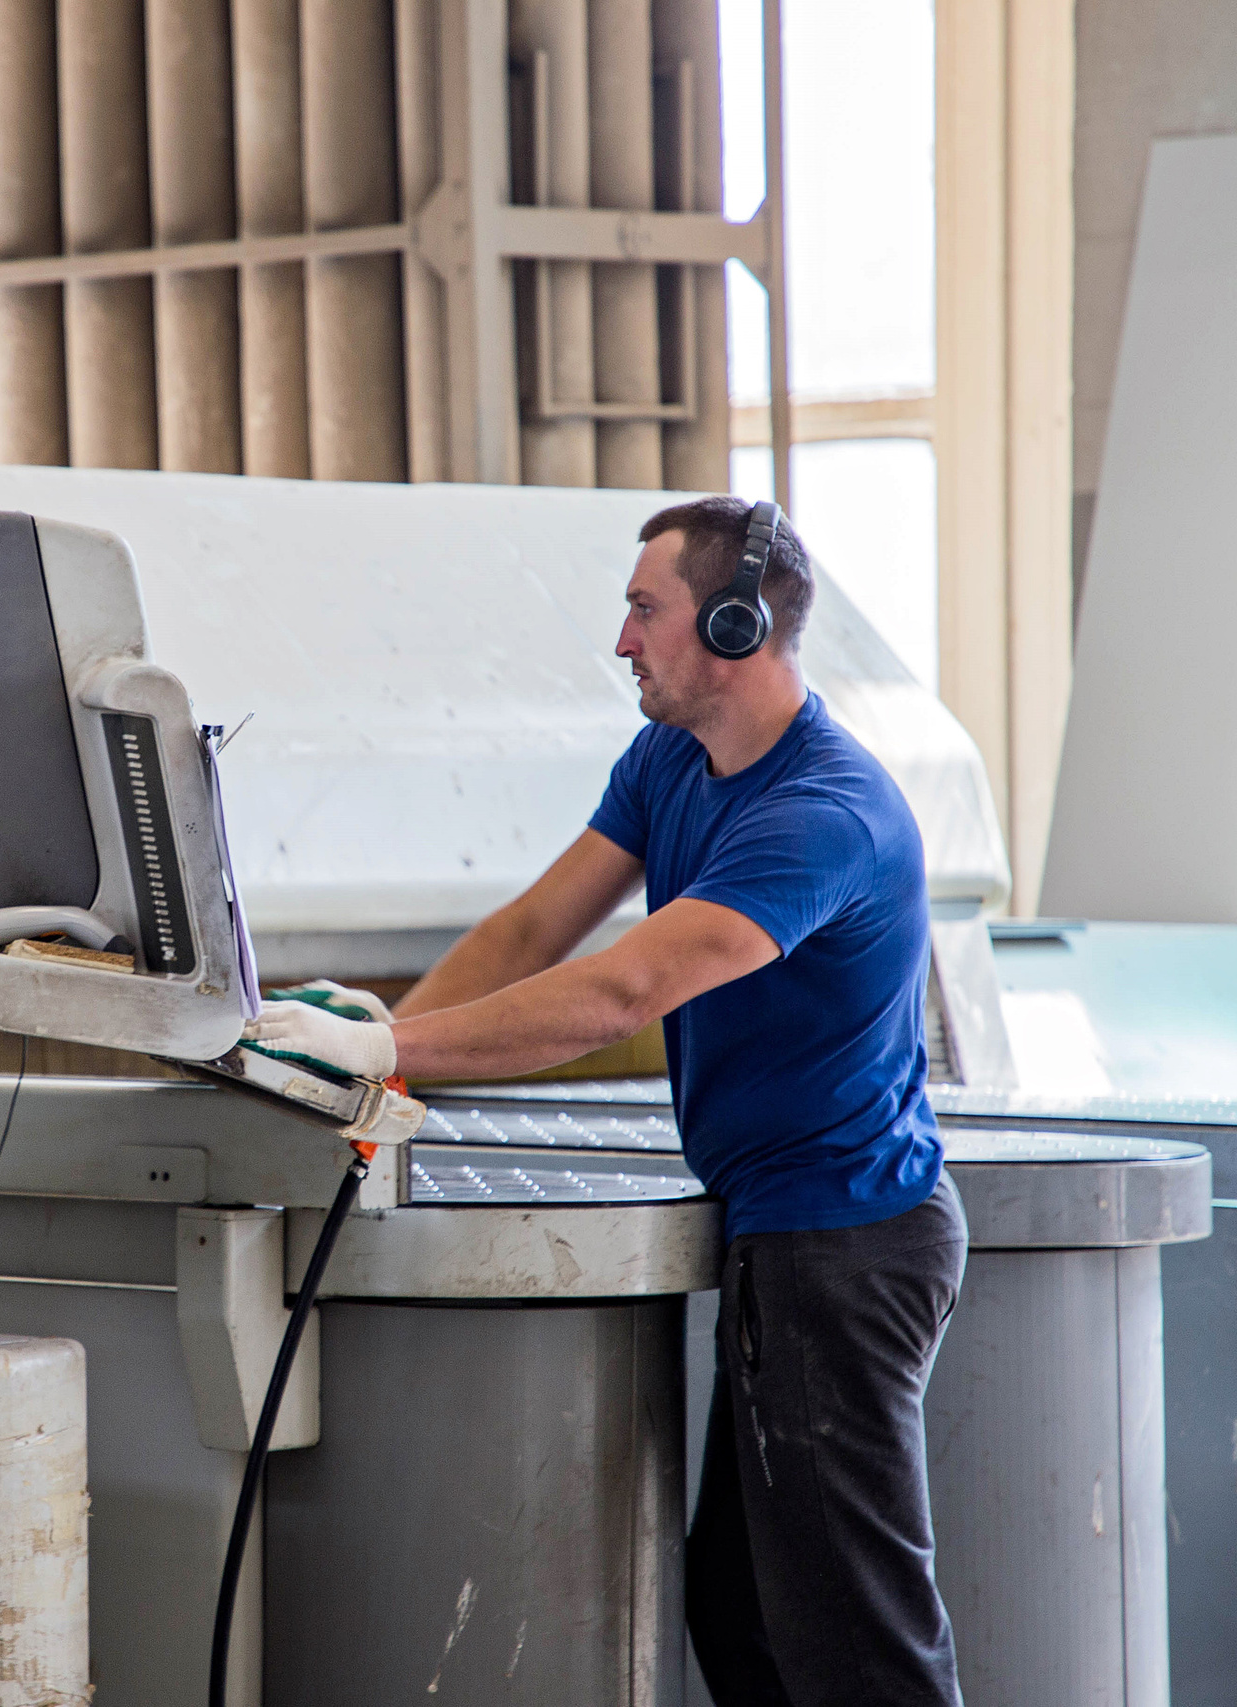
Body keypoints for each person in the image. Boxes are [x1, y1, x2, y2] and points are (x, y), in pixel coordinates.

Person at [247, 494, 967, 1707]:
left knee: (860, 1646)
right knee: (741, 1620)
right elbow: (535, 928)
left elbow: (620, 992)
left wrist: (377, 1049)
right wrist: (384, 1053)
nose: (622, 640)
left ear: (734, 629)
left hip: (845, 1251)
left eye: (646, 610)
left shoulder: (821, 814)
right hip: (779, 1239)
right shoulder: (672, 762)